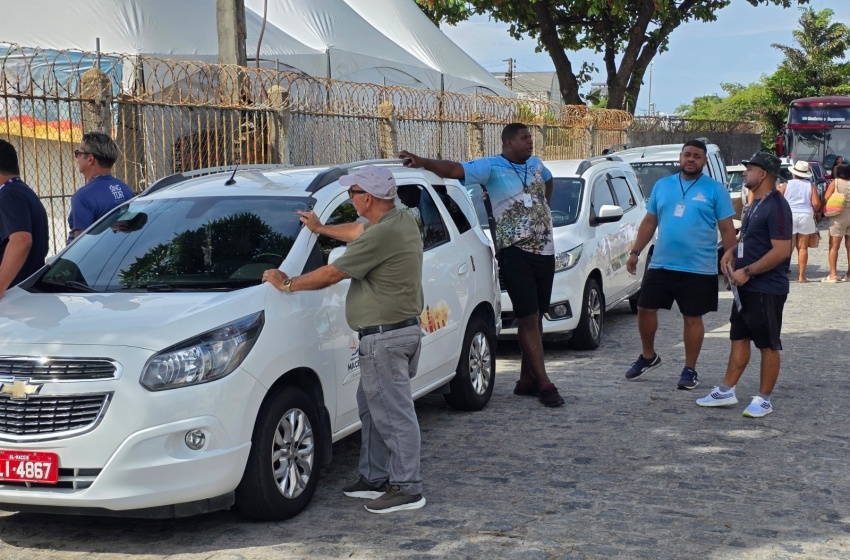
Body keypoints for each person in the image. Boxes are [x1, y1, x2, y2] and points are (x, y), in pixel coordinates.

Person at [263, 165, 426, 514]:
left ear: (367, 197)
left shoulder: (380, 236)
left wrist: (287, 283)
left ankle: (408, 487)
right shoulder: (398, 221)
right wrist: (321, 229)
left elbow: (331, 274)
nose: (351, 199)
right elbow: (356, 231)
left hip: (385, 337)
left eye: (352, 194)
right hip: (396, 333)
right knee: (372, 408)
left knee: (393, 415)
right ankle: (375, 477)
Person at [398, 123, 565, 408]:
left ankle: (526, 380)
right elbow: (454, 170)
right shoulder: (491, 167)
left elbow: (549, 181)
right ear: (508, 142)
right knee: (526, 317)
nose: (530, 142)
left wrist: (544, 208)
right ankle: (545, 385)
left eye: (530, 138)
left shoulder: (537, 165)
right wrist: (423, 161)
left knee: (536, 317)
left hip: (545, 252)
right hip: (515, 253)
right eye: (524, 138)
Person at [624, 140, 738, 389]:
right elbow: (649, 221)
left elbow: (727, 228)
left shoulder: (715, 190)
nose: (691, 159)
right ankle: (648, 356)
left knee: (692, 318)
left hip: (699, 266)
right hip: (663, 263)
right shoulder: (663, 186)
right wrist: (635, 252)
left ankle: (690, 370)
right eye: (687, 154)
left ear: (704, 161)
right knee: (644, 308)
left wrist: (731, 259)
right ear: (680, 157)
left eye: (697, 156)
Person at [696, 152, 792, 418]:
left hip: (767, 287)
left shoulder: (777, 205)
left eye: (749, 169)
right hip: (745, 287)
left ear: (763, 174)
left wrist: (748, 271)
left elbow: (782, 250)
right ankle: (727, 390)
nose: (745, 173)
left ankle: (764, 399)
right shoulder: (755, 203)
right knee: (739, 337)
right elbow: (750, 238)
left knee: (768, 344)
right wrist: (730, 253)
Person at [0, 139, 49, 300]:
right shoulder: (22, 191)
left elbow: (21, 240)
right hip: (24, 291)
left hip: (13, 296)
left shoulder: (9, 195)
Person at [68, 132, 135, 243]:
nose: (77, 158)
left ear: (90, 159)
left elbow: (81, 246)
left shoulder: (83, 196)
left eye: (78, 153)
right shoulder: (126, 189)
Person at [778, 160, 819, 283]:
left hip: (789, 216)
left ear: (793, 173)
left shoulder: (786, 185)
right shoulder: (810, 186)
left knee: (787, 247)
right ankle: (801, 276)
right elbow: (816, 203)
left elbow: (777, 200)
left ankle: (782, 273)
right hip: (805, 215)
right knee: (802, 247)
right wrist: (815, 212)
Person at [821, 163, 850, 282]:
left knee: (834, 246)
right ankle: (849, 274)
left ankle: (833, 274)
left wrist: (819, 212)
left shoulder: (836, 182)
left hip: (839, 215)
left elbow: (826, 198)